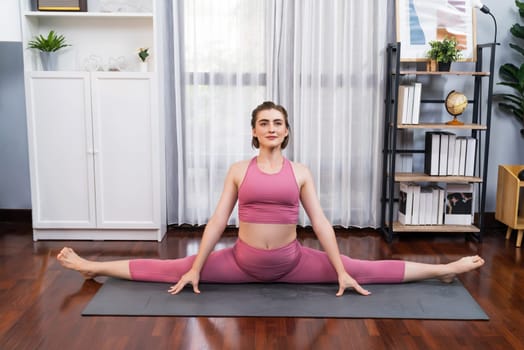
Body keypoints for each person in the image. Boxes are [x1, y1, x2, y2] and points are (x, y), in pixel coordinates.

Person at [57, 101, 485, 297]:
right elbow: (214, 223)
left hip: (293, 262)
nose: (271, 128)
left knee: (362, 269)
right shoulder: (238, 170)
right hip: (241, 262)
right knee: (174, 268)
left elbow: (319, 224)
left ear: (287, 130)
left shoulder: (300, 172)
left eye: (278, 122)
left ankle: (443, 271)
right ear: (254, 131)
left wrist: (339, 272)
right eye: (264, 123)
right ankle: (92, 268)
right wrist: (198, 268)